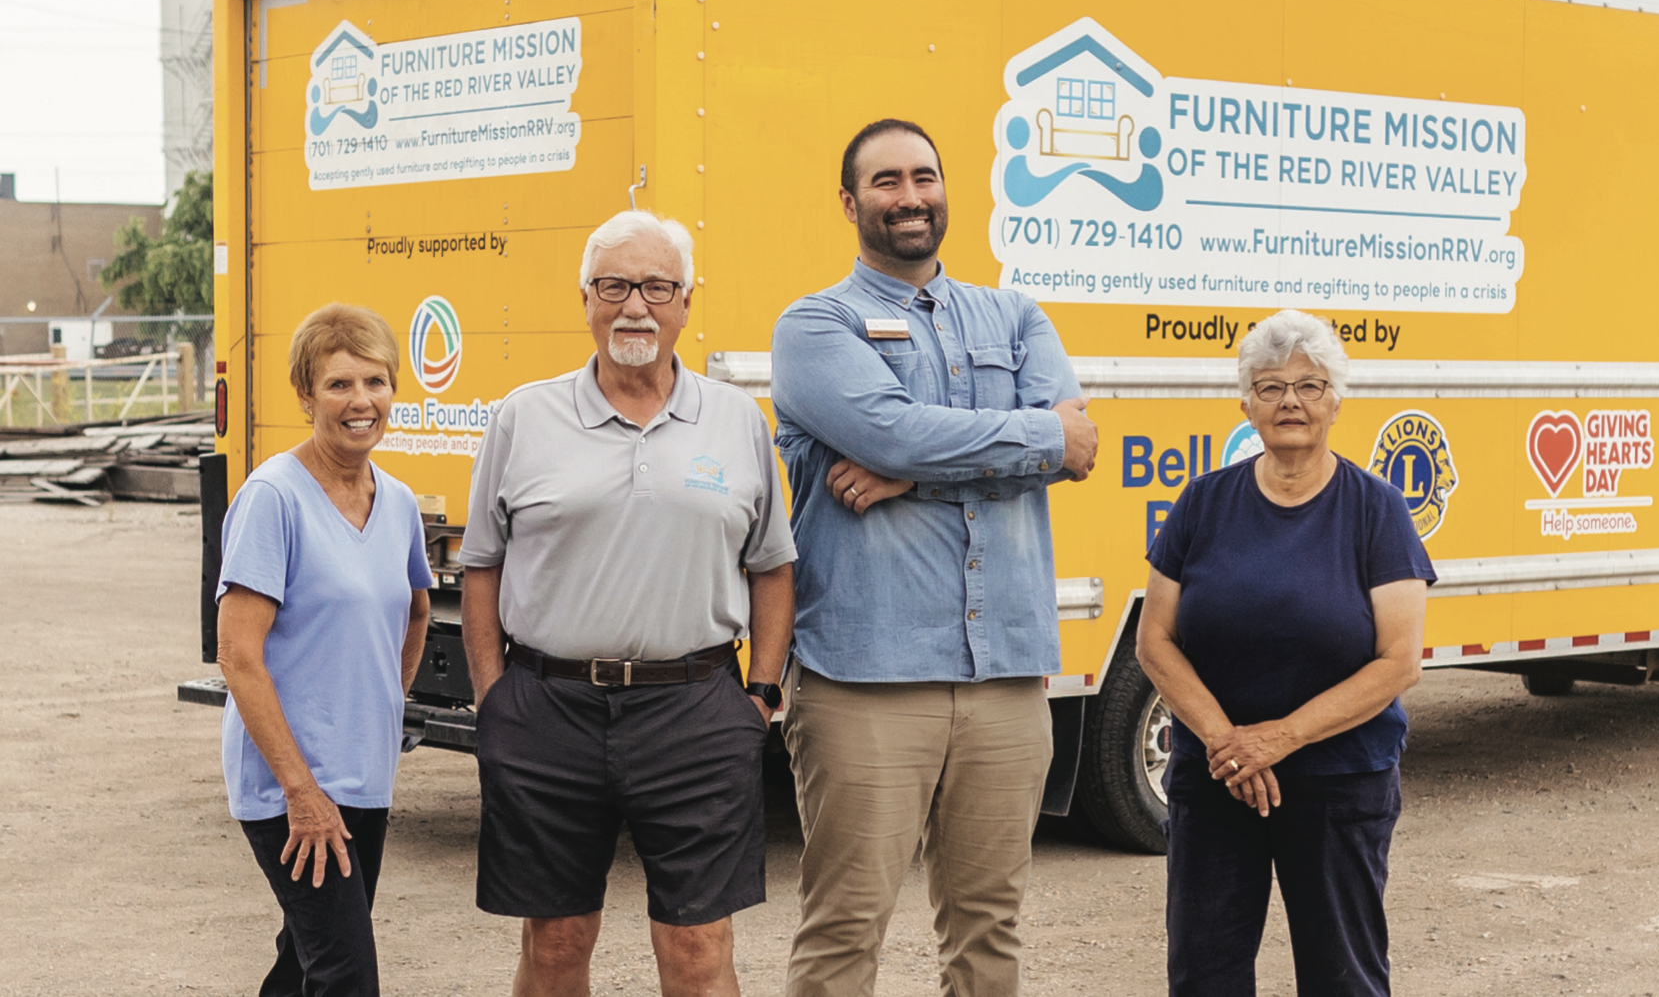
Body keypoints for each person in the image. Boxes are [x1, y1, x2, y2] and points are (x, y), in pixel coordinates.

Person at [770, 118, 1099, 997]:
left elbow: (1076, 449)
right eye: (886, 181)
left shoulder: (1016, 314)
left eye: (924, 177)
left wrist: (910, 475)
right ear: (850, 204)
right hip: (866, 678)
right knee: (845, 929)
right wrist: (999, 444)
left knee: (990, 929)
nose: (910, 196)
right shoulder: (816, 324)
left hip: (1006, 677)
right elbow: (898, 431)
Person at [459, 209, 797, 997]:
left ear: (686, 302)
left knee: (698, 950)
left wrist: (759, 696)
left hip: (697, 709)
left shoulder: (737, 420)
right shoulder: (523, 417)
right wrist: (493, 700)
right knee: (555, 944)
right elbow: (482, 567)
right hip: (548, 710)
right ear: (585, 299)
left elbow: (772, 566)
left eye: (656, 287)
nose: (634, 306)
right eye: (613, 286)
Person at [1136, 308, 1436, 997]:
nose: (1290, 401)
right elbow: (1155, 640)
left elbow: (1399, 662)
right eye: (1270, 387)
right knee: (1205, 977)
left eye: (1309, 385)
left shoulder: (1377, 510)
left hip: (1339, 781)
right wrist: (1227, 743)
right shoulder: (1202, 503)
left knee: (1342, 978)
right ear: (1246, 404)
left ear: (1336, 400)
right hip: (1214, 778)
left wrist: (1278, 739)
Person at [216, 303, 433, 997]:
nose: (360, 400)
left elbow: (416, 609)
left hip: (363, 775)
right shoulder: (273, 498)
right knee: (346, 975)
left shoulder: (397, 501)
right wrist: (301, 791)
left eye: (376, 381)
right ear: (306, 396)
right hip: (292, 787)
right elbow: (237, 655)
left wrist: (383, 709)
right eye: (339, 384)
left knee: (305, 963)